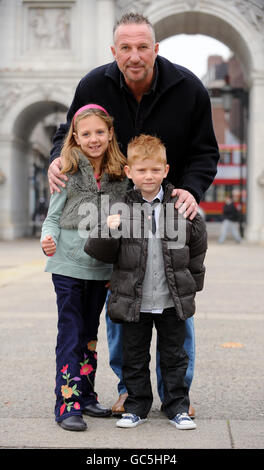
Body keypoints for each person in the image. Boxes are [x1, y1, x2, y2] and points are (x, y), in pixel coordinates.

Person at [47, 12, 219, 417]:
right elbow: (67, 132)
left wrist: (191, 191)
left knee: (176, 304)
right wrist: (58, 158)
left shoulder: (189, 88)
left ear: (156, 49)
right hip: (120, 212)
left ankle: (178, 394)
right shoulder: (94, 84)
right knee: (123, 302)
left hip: (170, 207)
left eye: (143, 47)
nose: (135, 55)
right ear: (114, 51)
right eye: (126, 47)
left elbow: (205, 152)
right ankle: (130, 390)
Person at [85, 135, 207, 430]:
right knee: (134, 356)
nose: (148, 176)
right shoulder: (119, 206)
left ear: (166, 170)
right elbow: (97, 251)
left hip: (170, 298)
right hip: (134, 299)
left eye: (155, 170)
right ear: (129, 172)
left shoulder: (180, 206)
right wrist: (108, 229)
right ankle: (136, 406)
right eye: (141, 170)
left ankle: (176, 405)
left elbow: (198, 247)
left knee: (175, 355)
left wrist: (192, 284)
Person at [40, 104, 128, 431]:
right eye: (86, 134)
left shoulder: (120, 174)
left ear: (109, 134)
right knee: (71, 331)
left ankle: (87, 396)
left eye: (99, 133)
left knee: (90, 335)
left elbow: (125, 219)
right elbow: (52, 217)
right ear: (75, 137)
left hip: (100, 267)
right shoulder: (67, 169)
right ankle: (68, 402)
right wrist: (47, 239)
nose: (93, 139)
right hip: (66, 264)